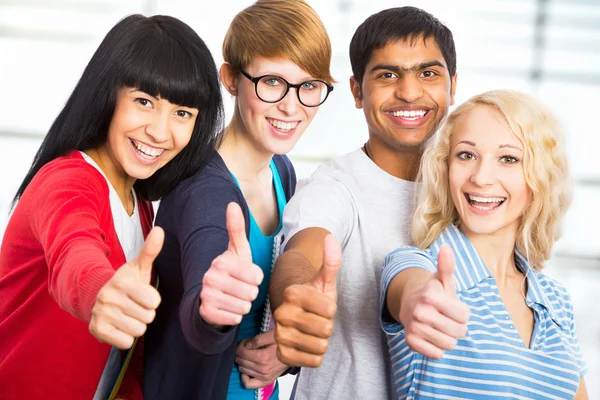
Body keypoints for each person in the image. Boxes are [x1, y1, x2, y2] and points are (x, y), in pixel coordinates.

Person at [0, 14, 223, 400]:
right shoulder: (67, 180)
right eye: (144, 102)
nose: (160, 131)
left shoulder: (142, 207)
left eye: (182, 113)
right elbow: (75, 251)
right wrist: (99, 290)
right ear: (107, 96)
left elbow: (121, 360)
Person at [142, 1, 334, 399]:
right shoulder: (207, 193)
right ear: (230, 78)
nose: (291, 105)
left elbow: (267, 309)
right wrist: (212, 314)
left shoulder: (281, 169)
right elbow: (201, 311)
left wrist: (285, 348)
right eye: (271, 82)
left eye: (309, 86)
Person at [269, 6, 457, 400]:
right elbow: (302, 255)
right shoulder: (335, 186)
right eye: (387, 75)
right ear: (357, 91)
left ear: (452, 86)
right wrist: (296, 299)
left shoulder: (470, 190)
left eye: (428, 73)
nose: (408, 91)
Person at [381, 90, 589, 399]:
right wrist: (417, 300)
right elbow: (411, 290)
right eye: (466, 155)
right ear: (445, 168)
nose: (481, 177)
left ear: (540, 177)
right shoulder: (423, 266)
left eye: (508, 159)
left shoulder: (555, 300)